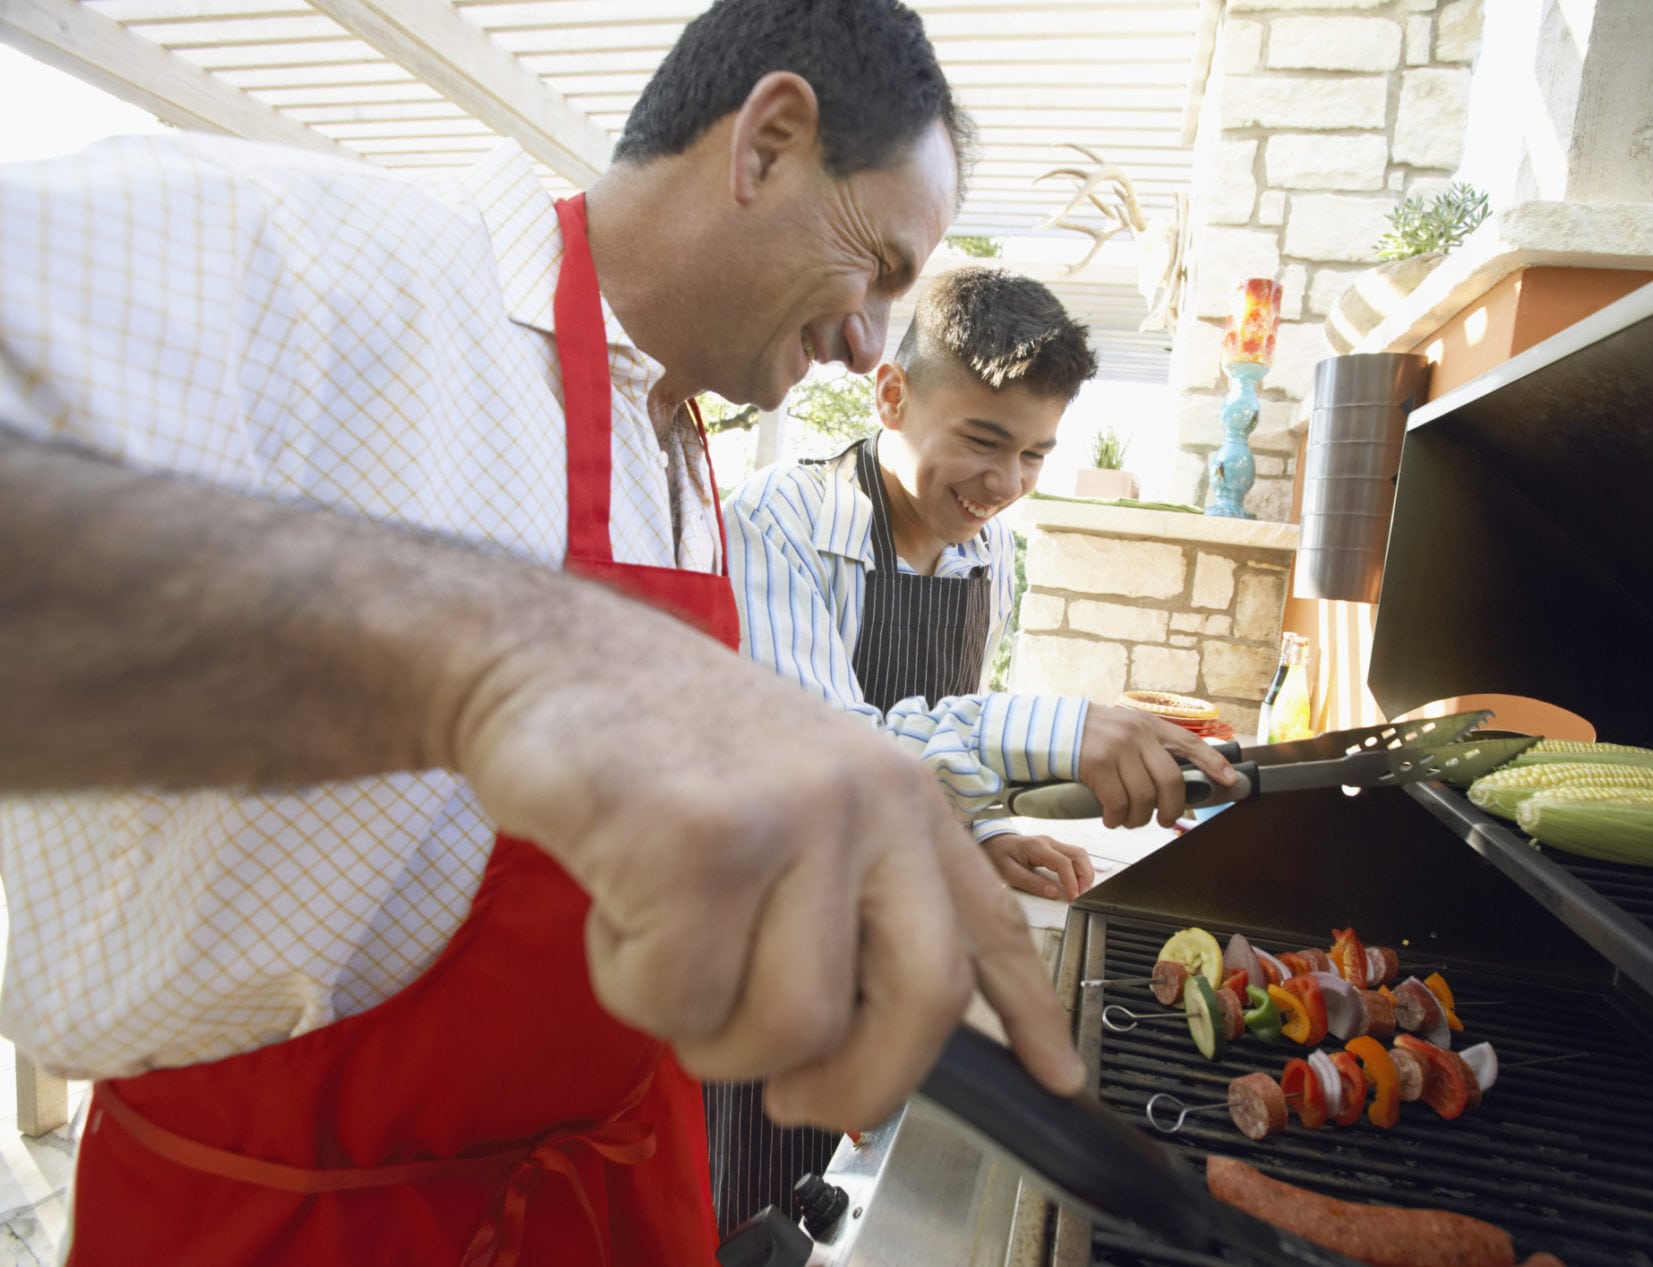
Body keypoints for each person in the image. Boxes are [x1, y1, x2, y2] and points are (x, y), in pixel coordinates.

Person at [0, 0, 1162, 1261]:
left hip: (608, 1183)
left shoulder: (683, 445)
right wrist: (477, 647)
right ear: (767, 142)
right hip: (295, 1214)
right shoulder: (318, 259)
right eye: (874, 267)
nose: (866, 340)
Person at [713, 266, 1235, 1231]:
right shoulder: (772, 526)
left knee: (818, 1187)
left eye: (1035, 454)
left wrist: (986, 824)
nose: (1004, 485)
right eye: (984, 441)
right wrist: (1055, 732)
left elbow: (946, 712)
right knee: (730, 1190)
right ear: (891, 395)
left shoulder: (982, 548)